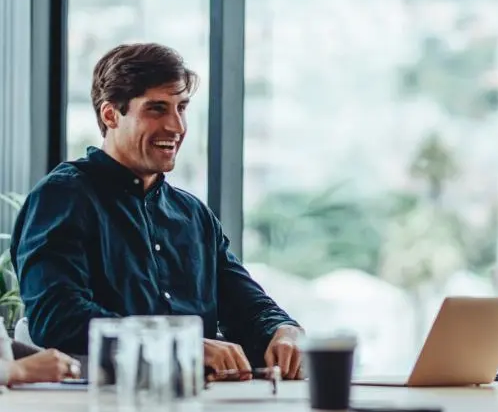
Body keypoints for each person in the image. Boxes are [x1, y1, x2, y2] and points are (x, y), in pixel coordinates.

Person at [11, 43, 304, 380]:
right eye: (156, 109)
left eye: (181, 108)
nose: (176, 126)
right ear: (110, 115)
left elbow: (246, 305)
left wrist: (283, 330)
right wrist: (180, 345)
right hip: (101, 409)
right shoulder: (62, 197)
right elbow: (58, 319)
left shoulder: (193, 214)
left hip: (201, 407)